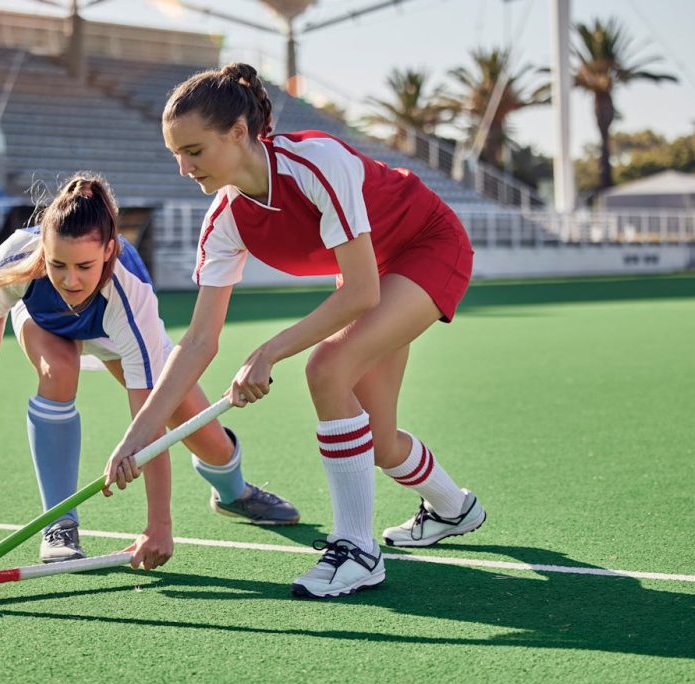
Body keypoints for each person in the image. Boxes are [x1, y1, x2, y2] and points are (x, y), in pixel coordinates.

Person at [104, 64, 485, 598]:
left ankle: (357, 550)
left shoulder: (315, 162)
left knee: (326, 368)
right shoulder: (225, 221)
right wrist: (134, 440)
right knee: (377, 439)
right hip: (371, 266)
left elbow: (359, 293)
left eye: (193, 151)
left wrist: (267, 353)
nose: (184, 168)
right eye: (176, 154)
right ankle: (454, 507)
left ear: (238, 133)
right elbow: (197, 341)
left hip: (426, 245)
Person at [0, 172, 299, 571]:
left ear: (109, 251)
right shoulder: (17, 256)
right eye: (58, 264)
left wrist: (158, 525)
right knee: (57, 372)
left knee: (205, 437)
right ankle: (59, 524)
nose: (69, 279)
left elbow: (151, 416)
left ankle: (233, 493)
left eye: (84, 266)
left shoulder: (131, 293)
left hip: (114, 336)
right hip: (47, 325)